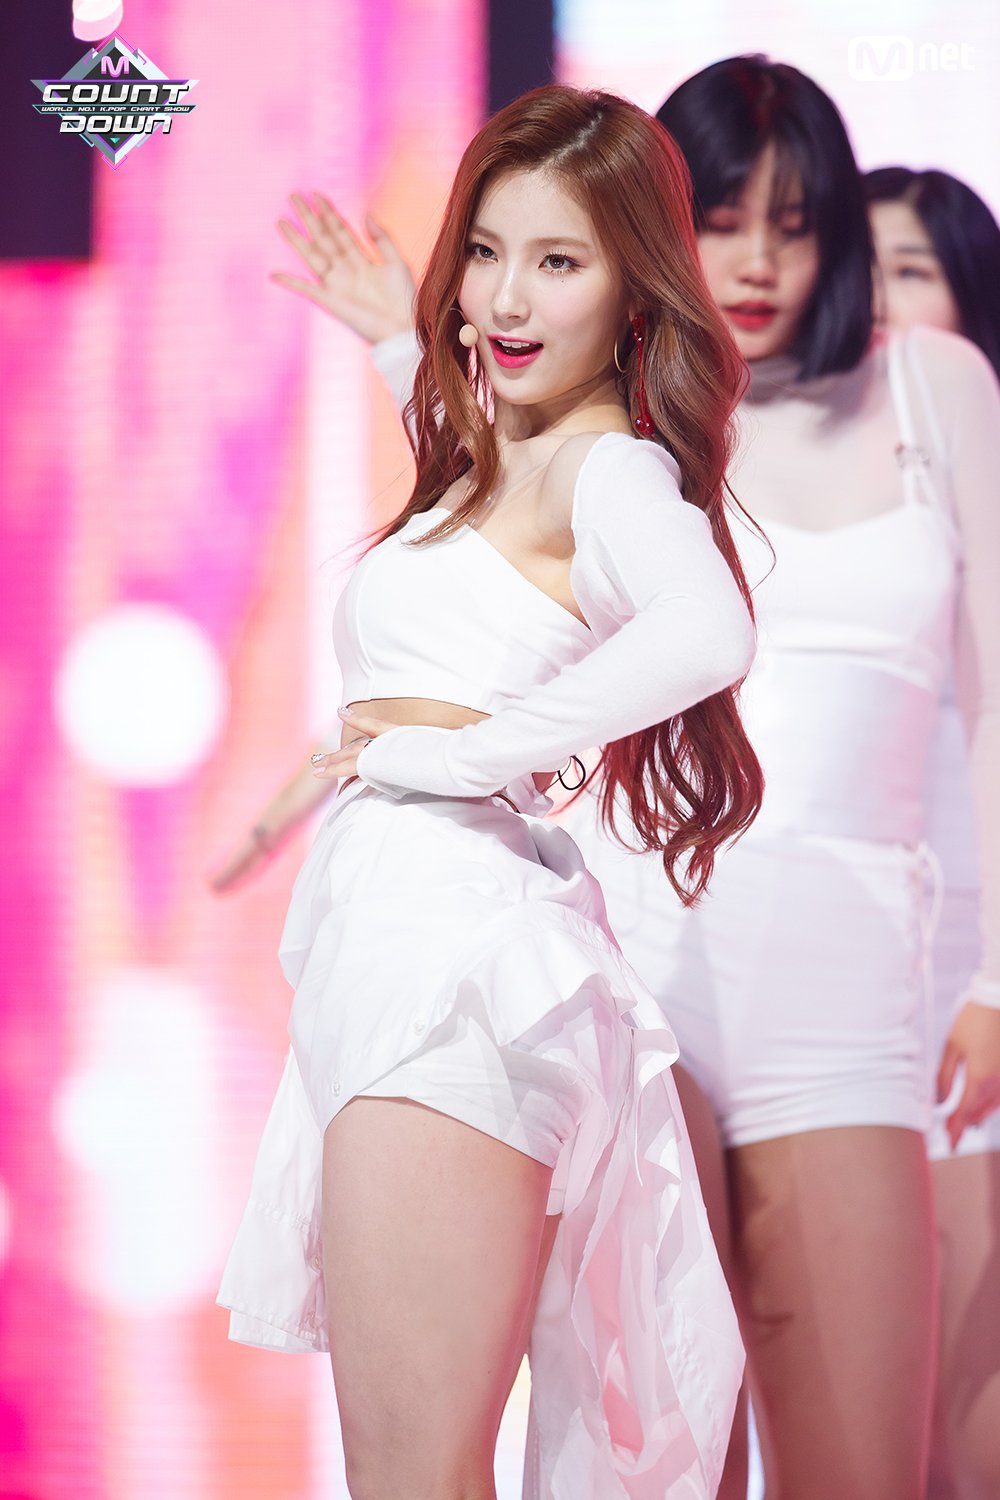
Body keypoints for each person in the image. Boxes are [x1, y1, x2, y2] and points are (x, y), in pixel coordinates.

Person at [276, 58, 1000, 1500]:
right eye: (721, 219)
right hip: (633, 953)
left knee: (867, 1459)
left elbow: (981, 696)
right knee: (641, 1461)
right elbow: (500, 513)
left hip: (847, 982)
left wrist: (995, 967)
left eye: (792, 224)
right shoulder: (621, 431)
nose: (757, 259)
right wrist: (406, 344)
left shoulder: (922, 387)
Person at [215, 83, 764, 1500]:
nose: (507, 297)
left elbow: (707, 630)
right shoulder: (501, 459)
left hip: (453, 973)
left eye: (559, 260)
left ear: (634, 284)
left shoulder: (608, 469)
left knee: (413, 1473)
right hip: (406, 943)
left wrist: (467, 755)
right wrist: (395, 339)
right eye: (487, 250)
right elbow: (470, 548)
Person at [865, 164, 1000, 1500]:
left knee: (967, 1414)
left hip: (974, 974)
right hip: (847, 983)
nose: (876, 300)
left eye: (910, 271)